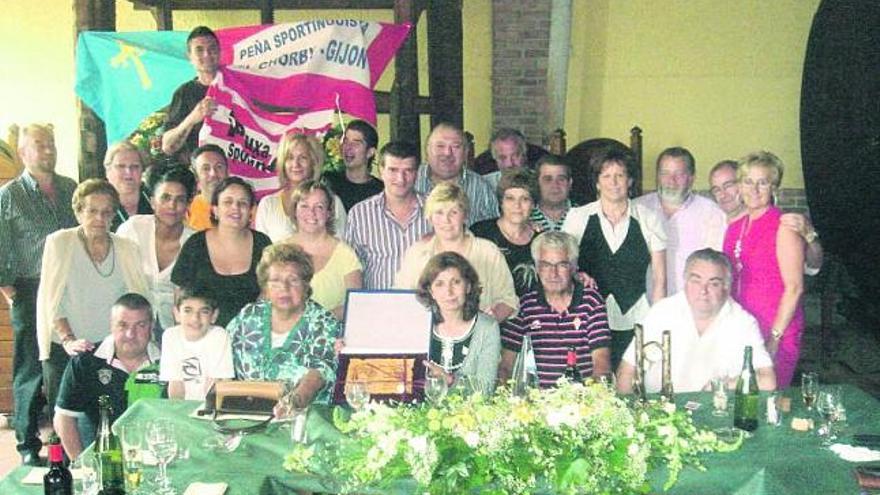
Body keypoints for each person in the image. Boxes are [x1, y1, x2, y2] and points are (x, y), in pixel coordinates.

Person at [36, 179, 150, 430]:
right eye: (92, 210)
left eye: (107, 211)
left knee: (110, 425)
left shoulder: (127, 248)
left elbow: (138, 297)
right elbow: (53, 298)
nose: (99, 217)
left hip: (111, 351)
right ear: (78, 211)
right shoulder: (60, 243)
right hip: (67, 347)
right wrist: (68, 340)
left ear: (113, 215)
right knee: (67, 425)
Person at [0, 124, 78, 465]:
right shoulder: (9, 195)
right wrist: (10, 290)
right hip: (30, 289)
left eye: (51, 143)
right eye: (39, 145)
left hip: (69, 287)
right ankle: (28, 445)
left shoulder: (70, 188)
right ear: (23, 153)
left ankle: (64, 440)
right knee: (30, 370)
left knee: (61, 365)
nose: (48, 150)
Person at [562, 148, 667, 371]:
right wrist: (576, 273)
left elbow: (659, 276)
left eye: (620, 175)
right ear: (597, 183)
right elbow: (563, 261)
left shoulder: (648, 218)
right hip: (587, 316)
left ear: (629, 180)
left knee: (632, 381)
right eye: (606, 176)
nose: (614, 182)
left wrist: (657, 320)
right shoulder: (578, 217)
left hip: (636, 315)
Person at [617, 249, 776, 394]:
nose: (703, 290)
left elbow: (768, 381)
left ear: (726, 287)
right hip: (658, 410)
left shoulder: (743, 323)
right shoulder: (662, 312)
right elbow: (627, 370)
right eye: (696, 280)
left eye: (714, 283)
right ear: (685, 282)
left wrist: (720, 385)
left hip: (714, 413)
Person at [722, 151, 805, 388]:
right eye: (748, 181)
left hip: (776, 328)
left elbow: (795, 288)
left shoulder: (784, 226)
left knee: (768, 399)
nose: (754, 189)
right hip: (744, 327)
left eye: (763, 182)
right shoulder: (734, 227)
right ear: (739, 185)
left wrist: (775, 339)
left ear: (774, 187)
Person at [227, 243, 339, 405]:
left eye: (293, 280)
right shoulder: (249, 316)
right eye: (275, 281)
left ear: (306, 285)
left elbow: (320, 372)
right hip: (246, 410)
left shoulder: (323, 322)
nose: (284, 288)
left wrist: (295, 401)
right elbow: (220, 354)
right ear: (265, 288)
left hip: (303, 413)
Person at [54, 293, 162, 459]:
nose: (130, 334)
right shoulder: (85, 362)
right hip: (102, 458)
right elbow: (64, 418)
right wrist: (82, 465)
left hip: (155, 456)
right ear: (111, 326)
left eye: (140, 325)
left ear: (151, 326)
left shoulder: (168, 362)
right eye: (122, 325)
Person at [499, 231, 612, 388]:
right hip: (533, 403)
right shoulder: (524, 304)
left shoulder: (591, 301)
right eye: (546, 265)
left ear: (574, 267)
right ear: (537, 267)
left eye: (562, 265)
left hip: (581, 400)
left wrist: (591, 400)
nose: (554, 273)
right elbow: (506, 365)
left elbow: (601, 363)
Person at [395, 182, 518, 322]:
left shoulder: (488, 252)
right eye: (439, 213)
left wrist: (486, 323)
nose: (446, 220)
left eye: (453, 212)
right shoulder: (416, 254)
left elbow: (509, 301)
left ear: (465, 215)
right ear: (429, 217)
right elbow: (401, 299)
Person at [172, 177, 272, 328]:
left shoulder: (262, 244)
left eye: (242, 203)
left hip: (251, 336)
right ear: (215, 209)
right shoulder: (195, 244)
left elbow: (270, 291)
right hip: (202, 336)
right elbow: (180, 294)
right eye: (228, 202)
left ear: (251, 210)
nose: (235, 208)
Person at [634, 147, 726, 293]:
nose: (671, 181)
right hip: (642, 305)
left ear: (692, 177)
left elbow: (714, 267)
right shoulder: (637, 209)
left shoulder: (711, 213)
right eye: (665, 174)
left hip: (691, 305)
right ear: (657, 176)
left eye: (679, 174)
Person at [710, 159, 824, 274]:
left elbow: (812, 268)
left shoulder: (779, 223)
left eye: (728, 185)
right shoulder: (710, 222)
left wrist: (810, 236)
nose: (723, 194)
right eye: (716, 189)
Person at [117, 166, 197, 331]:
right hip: (130, 325)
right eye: (165, 198)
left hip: (176, 329)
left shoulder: (195, 242)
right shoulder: (132, 229)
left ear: (188, 204)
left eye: (180, 199)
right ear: (153, 202)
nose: (172, 205)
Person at [345, 141, 432, 289]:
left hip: (426, 306)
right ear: (381, 170)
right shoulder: (360, 214)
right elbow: (351, 268)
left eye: (408, 171)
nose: (400, 179)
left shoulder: (436, 210)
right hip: (377, 307)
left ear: (417, 173)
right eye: (393, 170)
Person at [417, 252, 501, 396]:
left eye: (456, 282)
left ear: (468, 286)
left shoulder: (487, 328)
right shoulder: (418, 325)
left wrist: (450, 381)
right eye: (440, 284)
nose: (449, 292)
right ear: (431, 291)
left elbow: (485, 391)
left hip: (472, 416)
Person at [279, 180, 363, 321]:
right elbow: (267, 300)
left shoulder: (346, 254)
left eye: (319, 207)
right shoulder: (278, 252)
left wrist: (315, 322)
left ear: (329, 212)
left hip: (333, 337)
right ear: (294, 211)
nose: (311, 213)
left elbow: (355, 304)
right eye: (304, 206)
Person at [254, 133, 346, 242]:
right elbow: (261, 253)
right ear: (283, 163)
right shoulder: (268, 205)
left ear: (313, 162)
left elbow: (342, 247)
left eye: (303, 158)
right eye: (290, 158)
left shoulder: (333, 203)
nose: (295, 164)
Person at [470, 169, 538, 296]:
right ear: (501, 202)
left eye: (524, 199)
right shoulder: (480, 232)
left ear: (533, 204)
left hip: (531, 313)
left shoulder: (541, 240)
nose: (517, 206)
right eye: (510, 198)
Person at [414, 122, 498, 226]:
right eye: (440, 146)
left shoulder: (481, 188)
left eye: (456, 146)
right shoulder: (410, 180)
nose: (447, 153)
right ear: (427, 150)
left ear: (466, 152)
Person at [160, 287, 233, 400]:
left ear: (214, 316)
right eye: (188, 311)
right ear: (176, 313)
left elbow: (220, 384)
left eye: (204, 312)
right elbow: (175, 384)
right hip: (183, 405)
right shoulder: (170, 336)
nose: (195, 318)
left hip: (211, 405)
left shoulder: (219, 336)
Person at [161, 26, 220, 161]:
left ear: (219, 52)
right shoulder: (184, 93)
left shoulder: (236, 84)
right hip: (199, 173)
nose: (207, 54)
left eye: (212, 48)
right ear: (190, 56)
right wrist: (193, 118)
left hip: (239, 171)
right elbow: (167, 147)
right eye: (199, 50)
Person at [323, 120, 384, 211]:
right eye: (345, 141)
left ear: (370, 152)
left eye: (356, 143)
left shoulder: (380, 191)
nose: (348, 147)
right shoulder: (330, 182)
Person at [103, 141, 153, 232]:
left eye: (135, 166)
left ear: (142, 170)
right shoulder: (98, 205)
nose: (128, 172)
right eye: (121, 166)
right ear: (108, 171)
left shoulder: (156, 202)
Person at [529, 154, 575, 232]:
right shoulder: (525, 217)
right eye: (548, 179)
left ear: (570, 183)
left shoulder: (584, 216)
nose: (555, 185)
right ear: (537, 183)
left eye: (561, 179)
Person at [188, 143, 228, 231]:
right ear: (196, 176)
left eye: (219, 167)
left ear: (228, 172)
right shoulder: (185, 210)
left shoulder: (246, 207)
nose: (213, 174)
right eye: (206, 168)